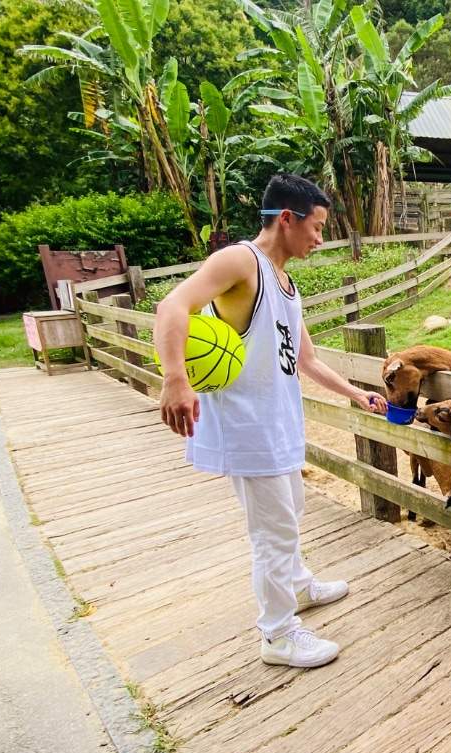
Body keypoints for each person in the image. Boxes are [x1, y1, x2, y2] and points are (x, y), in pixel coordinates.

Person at [153, 174, 387, 668]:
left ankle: (298, 585)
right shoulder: (240, 260)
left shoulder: (286, 281)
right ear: (286, 218)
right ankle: (278, 634)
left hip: (278, 422)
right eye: (317, 227)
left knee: (291, 511)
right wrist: (176, 378)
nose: (320, 239)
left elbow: (307, 359)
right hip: (246, 426)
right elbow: (172, 305)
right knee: (272, 532)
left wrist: (356, 394)